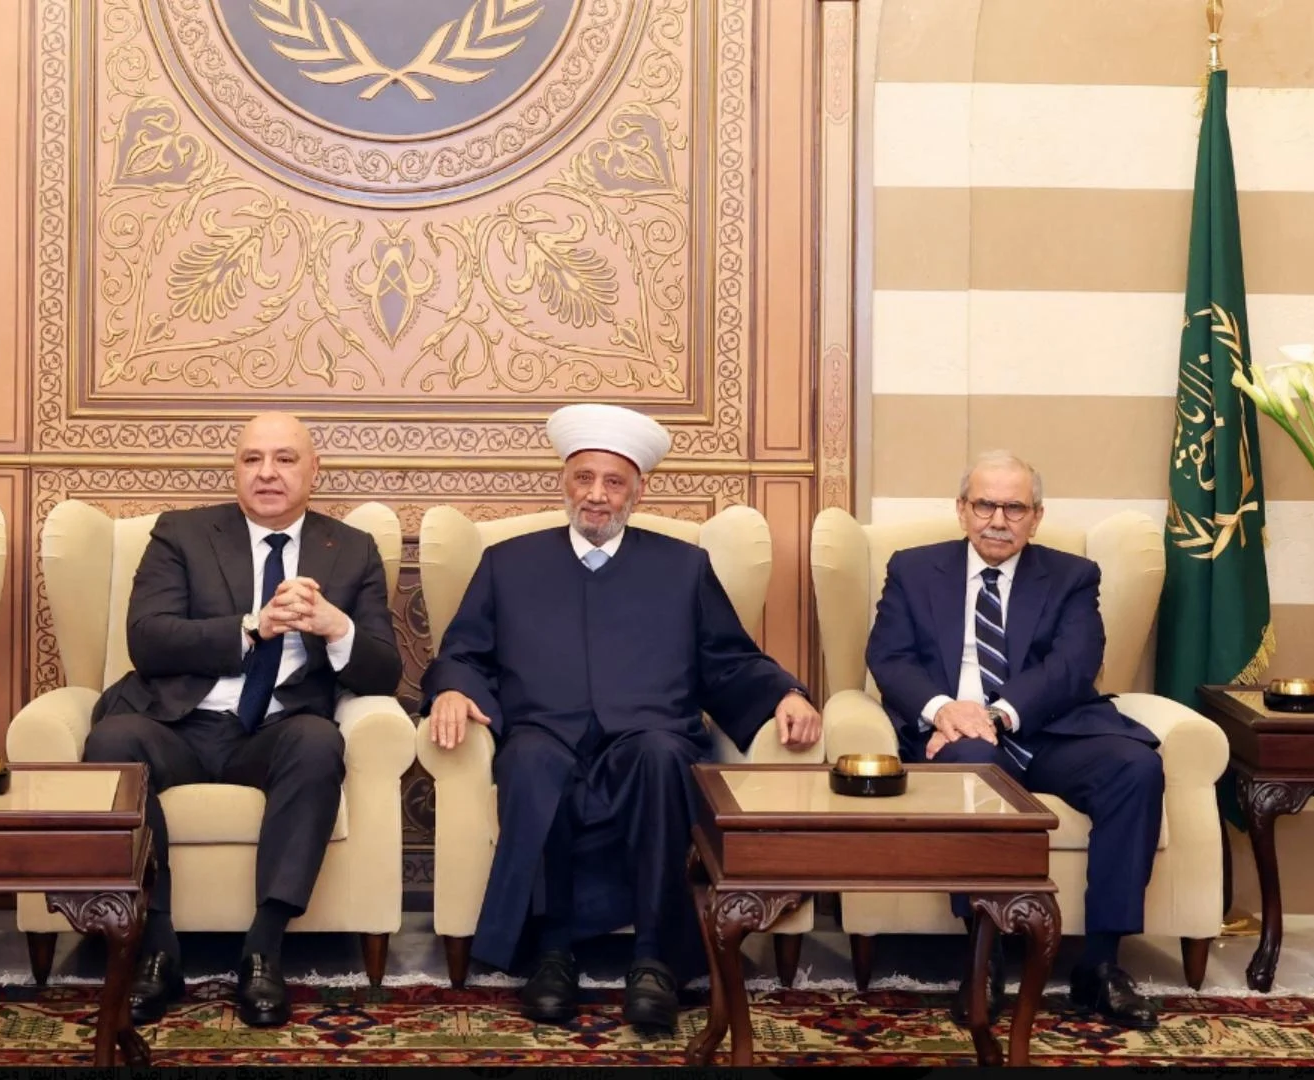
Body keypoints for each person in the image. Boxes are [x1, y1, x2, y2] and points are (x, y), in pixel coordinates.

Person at [420, 403, 820, 1032]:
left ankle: (654, 960)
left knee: (662, 758)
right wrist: (451, 689)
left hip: (648, 736)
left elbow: (728, 659)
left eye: (613, 482)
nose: (597, 495)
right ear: (564, 482)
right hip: (543, 732)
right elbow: (464, 653)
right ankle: (552, 954)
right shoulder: (508, 562)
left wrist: (785, 694)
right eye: (584, 478)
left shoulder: (682, 567)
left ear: (639, 490)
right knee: (530, 761)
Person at [82, 412, 401, 1028]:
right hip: (178, 724)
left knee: (318, 742)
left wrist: (336, 627)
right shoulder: (182, 533)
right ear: (235, 470)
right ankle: (156, 947)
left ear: (314, 470)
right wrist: (252, 627)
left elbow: (385, 672)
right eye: (252, 459)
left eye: (284, 459)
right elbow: (146, 638)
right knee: (112, 740)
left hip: (275, 729)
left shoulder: (351, 548)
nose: (267, 473)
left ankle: (263, 948)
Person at [865, 449, 1162, 1030]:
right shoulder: (914, 569)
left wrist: (998, 714)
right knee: (975, 763)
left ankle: (1101, 965)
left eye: (1015, 508)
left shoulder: (1073, 576)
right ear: (962, 509)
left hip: (1048, 730)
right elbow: (889, 658)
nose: (998, 520)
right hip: (955, 735)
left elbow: (1074, 664)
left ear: (1036, 516)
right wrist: (944, 710)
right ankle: (984, 959)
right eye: (985, 505)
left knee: (1135, 767)